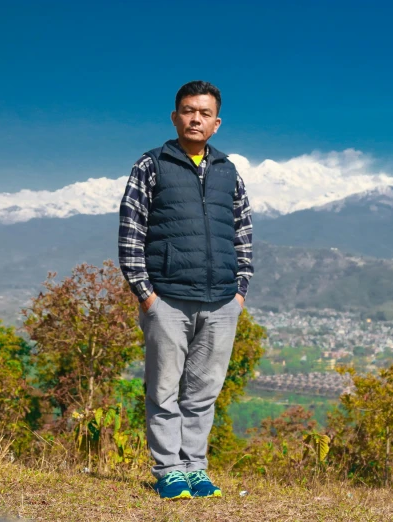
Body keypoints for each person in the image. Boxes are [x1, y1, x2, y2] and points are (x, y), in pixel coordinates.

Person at [118, 81, 253, 500]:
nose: (196, 118)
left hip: (221, 301)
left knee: (203, 392)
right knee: (163, 390)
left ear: (216, 123)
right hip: (168, 299)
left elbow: (243, 231)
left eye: (204, 113)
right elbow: (130, 232)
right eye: (188, 110)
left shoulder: (228, 170)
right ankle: (168, 471)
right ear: (175, 117)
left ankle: (196, 468)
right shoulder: (151, 164)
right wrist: (146, 295)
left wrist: (240, 290)